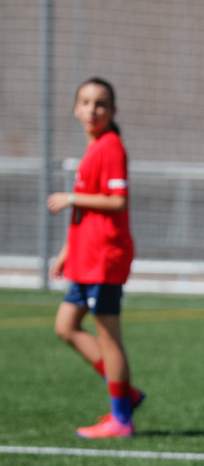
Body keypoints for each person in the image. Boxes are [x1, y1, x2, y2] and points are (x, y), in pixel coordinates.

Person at [47, 77, 144, 439]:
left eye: (101, 103)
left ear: (113, 111)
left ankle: (121, 418)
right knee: (65, 326)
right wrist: (66, 252)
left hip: (104, 260)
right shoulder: (93, 150)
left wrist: (70, 198)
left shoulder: (110, 146)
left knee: (109, 338)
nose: (92, 109)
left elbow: (117, 201)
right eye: (86, 102)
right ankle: (127, 393)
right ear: (75, 108)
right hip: (85, 259)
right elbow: (89, 213)